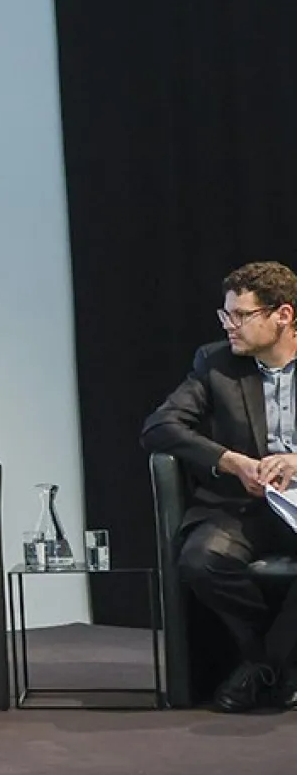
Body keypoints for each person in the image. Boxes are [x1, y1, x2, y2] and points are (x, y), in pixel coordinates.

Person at [141, 261, 297, 712]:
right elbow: (160, 427)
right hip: (245, 505)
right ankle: (278, 665)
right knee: (201, 559)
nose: (231, 326)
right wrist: (231, 462)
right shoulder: (217, 363)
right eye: (225, 315)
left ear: (283, 315)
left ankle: (262, 666)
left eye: (242, 316)